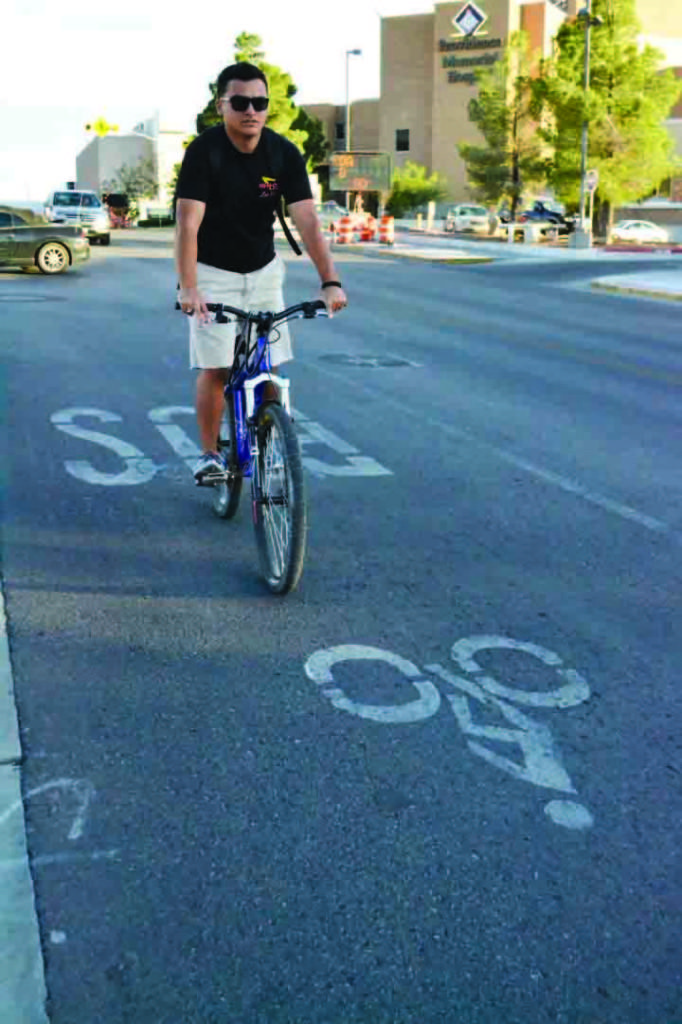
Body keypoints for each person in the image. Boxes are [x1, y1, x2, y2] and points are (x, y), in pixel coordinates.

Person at [175, 61, 348, 483]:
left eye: (260, 102)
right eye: (240, 101)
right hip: (212, 271)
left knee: (268, 367)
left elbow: (307, 220)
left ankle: (270, 438)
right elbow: (187, 223)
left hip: (264, 270)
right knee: (216, 367)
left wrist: (330, 281)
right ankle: (210, 454)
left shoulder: (283, 153)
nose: (251, 110)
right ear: (222, 105)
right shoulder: (205, 152)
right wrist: (189, 287)